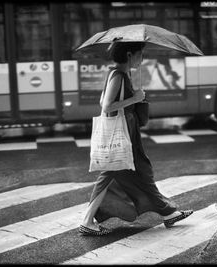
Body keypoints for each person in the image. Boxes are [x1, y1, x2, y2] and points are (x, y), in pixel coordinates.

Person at [79, 41, 193, 236]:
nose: (143, 58)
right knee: (117, 173)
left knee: (140, 172)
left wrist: (131, 97)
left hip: (128, 131)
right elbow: (106, 106)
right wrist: (135, 98)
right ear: (130, 54)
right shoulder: (119, 75)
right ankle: (87, 221)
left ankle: (168, 213)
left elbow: (102, 100)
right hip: (122, 132)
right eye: (141, 54)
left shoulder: (117, 74)